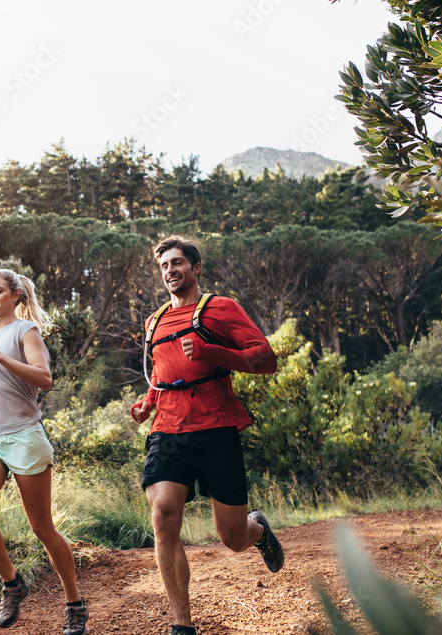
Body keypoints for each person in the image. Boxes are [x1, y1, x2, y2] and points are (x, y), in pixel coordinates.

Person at [130, 236, 283, 635]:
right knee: (163, 516)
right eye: (164, 266)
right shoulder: (155, 320)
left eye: (178, 263)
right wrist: (147, 403)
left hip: (217, 431)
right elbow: (162, 375)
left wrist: (211, 352)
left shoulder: (221, 308)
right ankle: (182, 625)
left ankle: (258, 531)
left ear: (196, 268)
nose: (170, 271)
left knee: (232, 538)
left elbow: (266, 360)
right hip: (168, 431)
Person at [0, 268, 88, 635]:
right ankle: (12, 583)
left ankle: (74, 604)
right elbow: (11, 386)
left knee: (43, 528)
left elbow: (44, 379)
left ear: (15, 295)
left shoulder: (24, 331)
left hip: (24, 437)